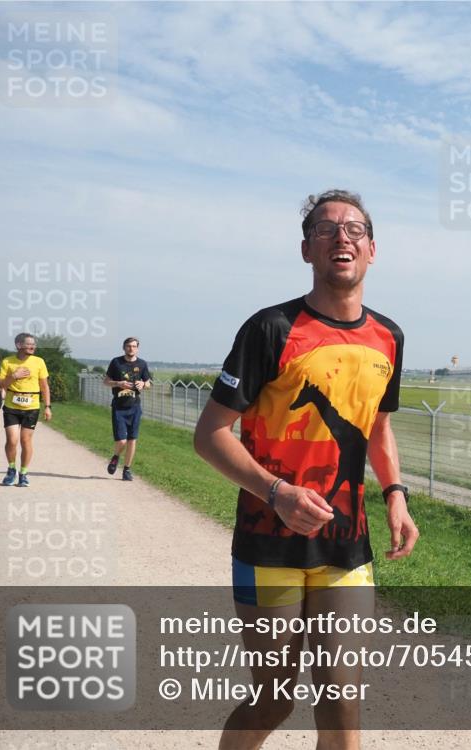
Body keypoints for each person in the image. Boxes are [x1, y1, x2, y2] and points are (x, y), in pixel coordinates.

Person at [194, 189, 418, 750]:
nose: (342, 236)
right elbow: (210, 433)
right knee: (274, 697)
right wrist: (276, 492)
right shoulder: (269, 328)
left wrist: (395, 493)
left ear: (372, 249)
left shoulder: (389, 336)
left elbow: (378, 428)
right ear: (306, 250)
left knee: (343, 710)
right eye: (326, 229)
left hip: (346, 542)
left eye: (354, 229)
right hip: (269, 545)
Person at [0, 333, 51, 487]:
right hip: (12, 406)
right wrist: (13, 376)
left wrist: (47, 406)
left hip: (31, 407)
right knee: (12, 440)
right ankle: (11, 469)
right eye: (29, 344)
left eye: (34, 344)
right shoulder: (8, 361)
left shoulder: (39, 362)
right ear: (19, 345)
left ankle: (24, 473)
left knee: (25, 440)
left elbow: (44, 386)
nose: (33, 346)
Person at [103, 337, 152, 481]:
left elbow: (148, 382)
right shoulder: (116, 362)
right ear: (123, 348)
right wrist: (119, 383)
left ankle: (127, 470)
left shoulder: (142, 364)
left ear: (137, 348)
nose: (131, 348)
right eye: (128, 346)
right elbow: (105, 381)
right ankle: (116, 457)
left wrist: (143, 384)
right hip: (119, 407)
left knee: (132, 439)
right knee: (122, 441)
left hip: (135, 406)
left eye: (134, 346)